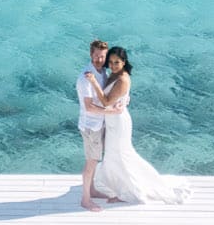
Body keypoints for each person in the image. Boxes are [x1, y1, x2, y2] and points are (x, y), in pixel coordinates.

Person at [87, 46, 189, 205]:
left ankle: (131, 190)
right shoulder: (114, 74)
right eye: (111, 62)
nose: (113, 65)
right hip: (112, 120)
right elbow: (112, 97)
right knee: (113, 154)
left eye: (117, 62)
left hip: (119, 122)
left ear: (124, 62)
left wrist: (93, 82)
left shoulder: (122, 79)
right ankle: (118, 185)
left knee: (122, 155)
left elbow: (106, 101)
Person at [75, 39, 120, 211]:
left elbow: (106, 94)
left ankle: (92, 190)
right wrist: (111, 112)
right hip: (90, 126)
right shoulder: (86, 77)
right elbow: (89, 107)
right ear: (91, 55)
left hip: (99, 123)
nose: (100, 60)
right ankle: (85, 199)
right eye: (96, 56)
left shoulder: (101, 72)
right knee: (91, 162)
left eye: (102, 56)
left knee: (94, 159)